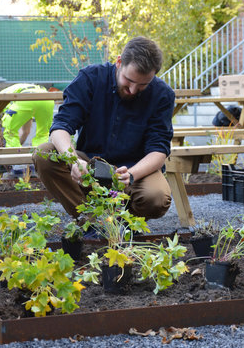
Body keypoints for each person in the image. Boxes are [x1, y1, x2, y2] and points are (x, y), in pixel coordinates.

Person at [32, 36, 174, 222]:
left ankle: (123, 224)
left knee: (157, 197)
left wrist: (131, 175)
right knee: (44, 154)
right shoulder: (91, 78)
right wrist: (74, 161)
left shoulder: (162, 95)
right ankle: (91, 221)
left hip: (134, 169)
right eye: (128, 80)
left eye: (142, 85)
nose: (132, 90)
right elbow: (60, 128)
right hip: (90, 163)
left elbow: (159, 149)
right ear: (119, 62)